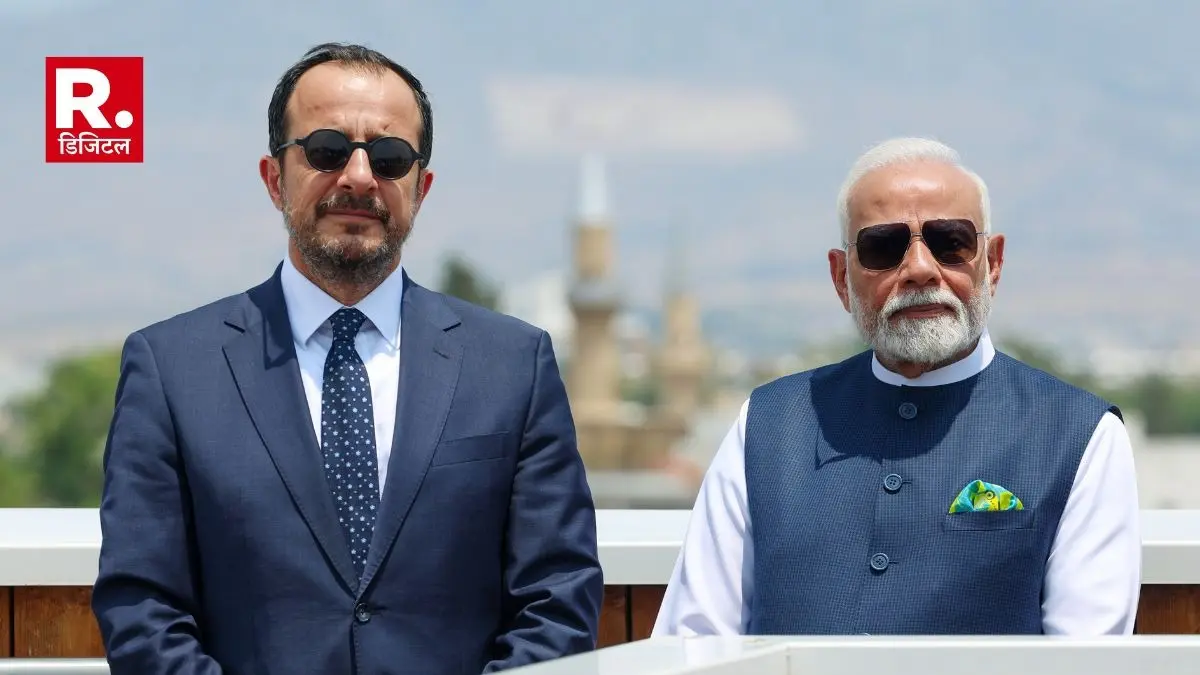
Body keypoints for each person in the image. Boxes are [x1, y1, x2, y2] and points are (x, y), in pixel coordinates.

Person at [92, 43, 604, 674]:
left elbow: (557, 600)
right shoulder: (172, 370)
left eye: (389, 158)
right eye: (328, 150)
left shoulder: (512, 365)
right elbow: (143, 607)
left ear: (422, 186)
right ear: (275, 177)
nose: (360, 177)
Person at [652, 137, 1141, 637]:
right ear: (842, 278)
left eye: (950, 241)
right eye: (883, 248)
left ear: (991, 262)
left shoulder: (1079, 436)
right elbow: (694, 644)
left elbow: (1087, 659)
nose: (920, 269)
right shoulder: (768, 426)